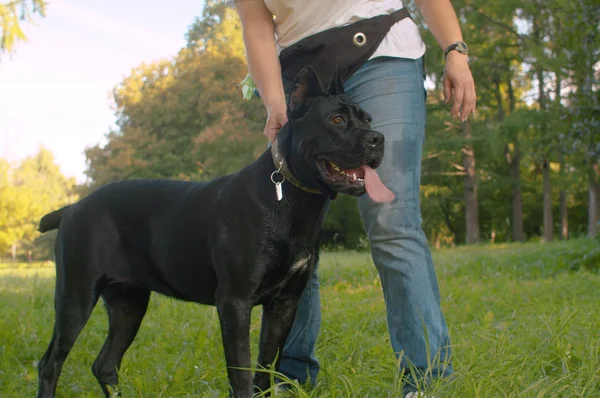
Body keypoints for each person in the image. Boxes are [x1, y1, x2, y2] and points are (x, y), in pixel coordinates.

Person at [234, 0, 476, 396]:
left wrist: (455, 49)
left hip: (381, 54)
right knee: (291, 228)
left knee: (392, 221)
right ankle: (290, 379)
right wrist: (276, 104)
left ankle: (427, 381)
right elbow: (257, 29)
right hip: (302, 71)